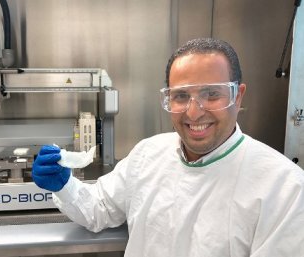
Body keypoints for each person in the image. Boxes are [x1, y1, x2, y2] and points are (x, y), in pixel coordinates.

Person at [32, 38, 304, 257]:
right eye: (181, 96)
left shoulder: (284, 188)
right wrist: (64, 184)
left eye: (211, 94)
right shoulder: (148, 154)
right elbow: (99, 209)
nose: (194, 113)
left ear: (238, 95)